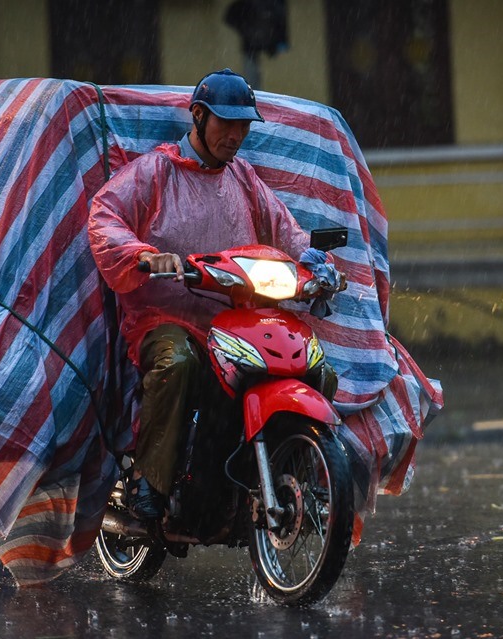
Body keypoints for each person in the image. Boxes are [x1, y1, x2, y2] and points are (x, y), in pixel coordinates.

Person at [88, 68, 335, 519]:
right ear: (198, 117)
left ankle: (291, 478)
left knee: (317, 369)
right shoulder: (155, 171)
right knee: (178, 362)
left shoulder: (243, 178)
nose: (237, 135)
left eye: (244, 125)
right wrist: (145, 254)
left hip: (237, 322)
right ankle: (149, 483)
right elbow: (105, 215)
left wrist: (314, 261)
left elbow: (286, 230)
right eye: (228, 122)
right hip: (166, 321)